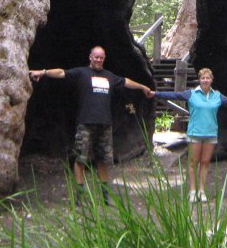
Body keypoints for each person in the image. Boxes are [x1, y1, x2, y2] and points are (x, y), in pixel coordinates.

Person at [30, 45, 152, 203]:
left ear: (104, 59)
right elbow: (61, 73)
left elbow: (126, 82)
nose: (98, 60)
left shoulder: (109, 76)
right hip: (86, 123)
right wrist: (44, 72)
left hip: (105, 124)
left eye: (101, 57)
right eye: (96, 57)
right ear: (90, 57)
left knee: (103, 160)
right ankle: (80, 194)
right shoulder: (82, 73)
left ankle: (105, 194)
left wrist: (142, 87)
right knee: (81, 158)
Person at [152, 68, 227, 203]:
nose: (205, 80)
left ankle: (201, 190)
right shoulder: (191, 94)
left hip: (210, 134)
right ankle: (192, 191)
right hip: (195, 133)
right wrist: (155, 93)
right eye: (203, 78)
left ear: (211, 80)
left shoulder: (217, 96)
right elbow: (174, 95)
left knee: (205, 162)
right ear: (199, 79)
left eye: (207, 78)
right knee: (193, 162)